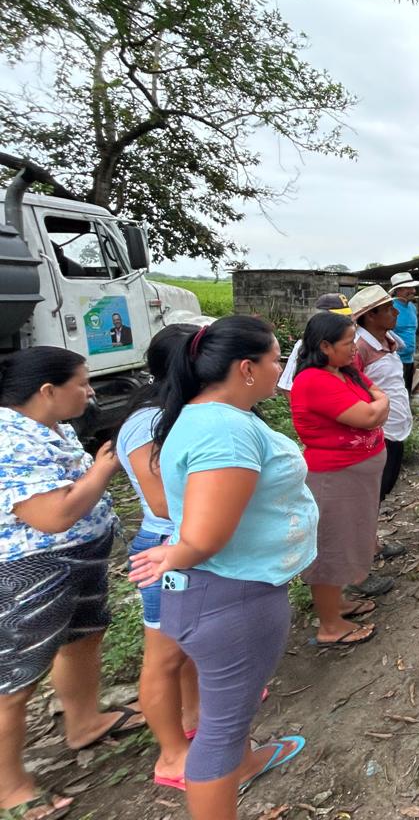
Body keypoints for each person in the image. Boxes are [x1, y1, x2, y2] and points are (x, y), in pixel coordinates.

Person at [128, 315, 316, 819]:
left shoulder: (212, 416)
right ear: (246, 368)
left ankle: (246, 761)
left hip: (221, 591)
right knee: (221, 731)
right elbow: (206, 534)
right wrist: (179, 551)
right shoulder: (224, 430)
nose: (282, 368)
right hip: (233, 596)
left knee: (226, 713)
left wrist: (180, 552)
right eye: (276, 359)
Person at [0, 347, 146, 820]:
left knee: (82, 638)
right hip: (32, 573)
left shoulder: (50, 428)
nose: (89, 392)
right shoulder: (9, 439)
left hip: (76, 561)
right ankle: (9, 788)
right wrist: (103, 468)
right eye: (81, 383)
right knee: (16, 680)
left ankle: (84, 723)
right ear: (48, 390)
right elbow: (53, 515)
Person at [117, 324, 203, 791]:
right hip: (165, 545)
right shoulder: (146, 423)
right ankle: (172, 756)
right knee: (163, 657)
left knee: (185, 644)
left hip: (186, 541)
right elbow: (164, 502)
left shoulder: (176, 411)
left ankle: (193, 716)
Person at [290, 312, 388, 646]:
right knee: (332, 545)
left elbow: (374, 397)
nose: (354, 348)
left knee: (349, 538)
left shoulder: (346, 370)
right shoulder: (313, 380)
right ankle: (330, 626)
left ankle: (338, 603)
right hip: (333, 478)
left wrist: (379, 403)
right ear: (325, 346)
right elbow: (370, 414)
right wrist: (381, 403)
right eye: (348, 343)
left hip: (355, 476)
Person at [350, 285, 412, 506]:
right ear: (370, 316)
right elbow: (352, 392)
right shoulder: (359, 348)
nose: (396, 312)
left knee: (382, 490)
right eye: (388, 309)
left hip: (396, 427)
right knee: (372, 493)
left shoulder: (388, 341)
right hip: (378, 433)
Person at [277, 293, 352, 394]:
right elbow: (287, 386)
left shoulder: (350, 344)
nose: (344, 321)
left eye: (346, 316)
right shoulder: (304, 345)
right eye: (338, 317)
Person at [389, 271, 419, 393]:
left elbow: (411, 334)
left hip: (409, 361)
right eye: (408, 288)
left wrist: (412, 359)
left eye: (413, 288)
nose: (413, 291)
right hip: (394, 361)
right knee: (395, 395)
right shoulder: (389, 308)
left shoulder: (412, 308)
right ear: (397, 290)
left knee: (406, 394)